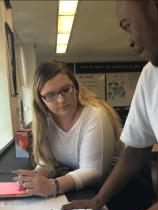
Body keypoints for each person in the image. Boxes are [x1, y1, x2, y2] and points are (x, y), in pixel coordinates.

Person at [52, 0, 158, 210]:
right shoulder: (152, 76)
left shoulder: (94, 115)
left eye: (128, 27)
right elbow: (136, 149)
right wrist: (98, 199)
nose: (128, 41)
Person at [13, 60, 125, 198]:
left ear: (75, 86)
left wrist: (52, 186)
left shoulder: (95, 115)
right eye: (50, 95)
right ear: (41, 100)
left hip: (121, 191)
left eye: (65, 90)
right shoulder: (45, 122)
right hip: (90, 190)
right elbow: (49, 164)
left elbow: (92, 170)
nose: (61, 100)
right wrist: (33, 179)